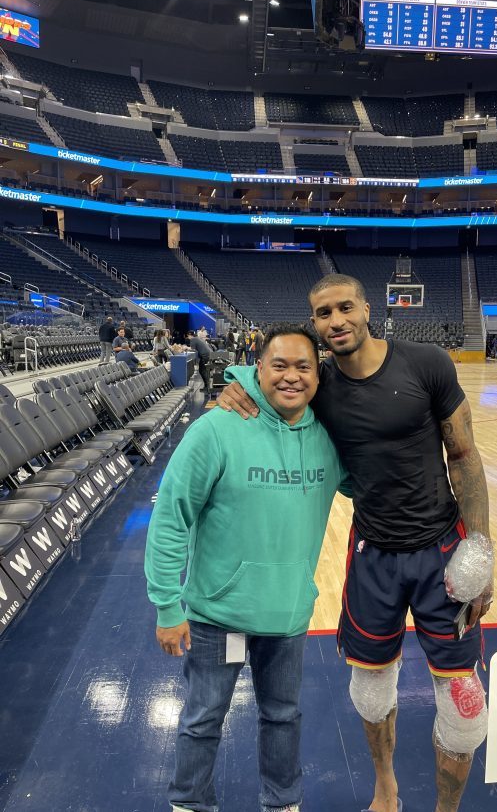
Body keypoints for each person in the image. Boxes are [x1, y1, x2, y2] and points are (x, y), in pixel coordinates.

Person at [218, 274, 493, 812]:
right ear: (315, 323)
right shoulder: (319, 385)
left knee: (463, 709)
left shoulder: (427, 363)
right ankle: (385, 786)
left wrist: (481, 549)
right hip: (373, 557)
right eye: (323, 313)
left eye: (345, 308)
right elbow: (268, 381)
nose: (336, 321)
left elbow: (464, 457)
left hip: (443, 549)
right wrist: (233, 385)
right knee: (369, 692)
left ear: (368, 309)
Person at [145, 323, 350, 812]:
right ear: (258, 366)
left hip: (287, 616)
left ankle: (282, 803)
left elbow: (374, 485)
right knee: (203, 718)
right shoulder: (217, 428)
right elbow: (172, 517)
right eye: (279, 365)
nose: (291, 377)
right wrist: (166, 605)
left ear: (318, 375)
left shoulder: (329, 438)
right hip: (221, 616)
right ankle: (190, 802)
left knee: (283, 718)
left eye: (304, 366)